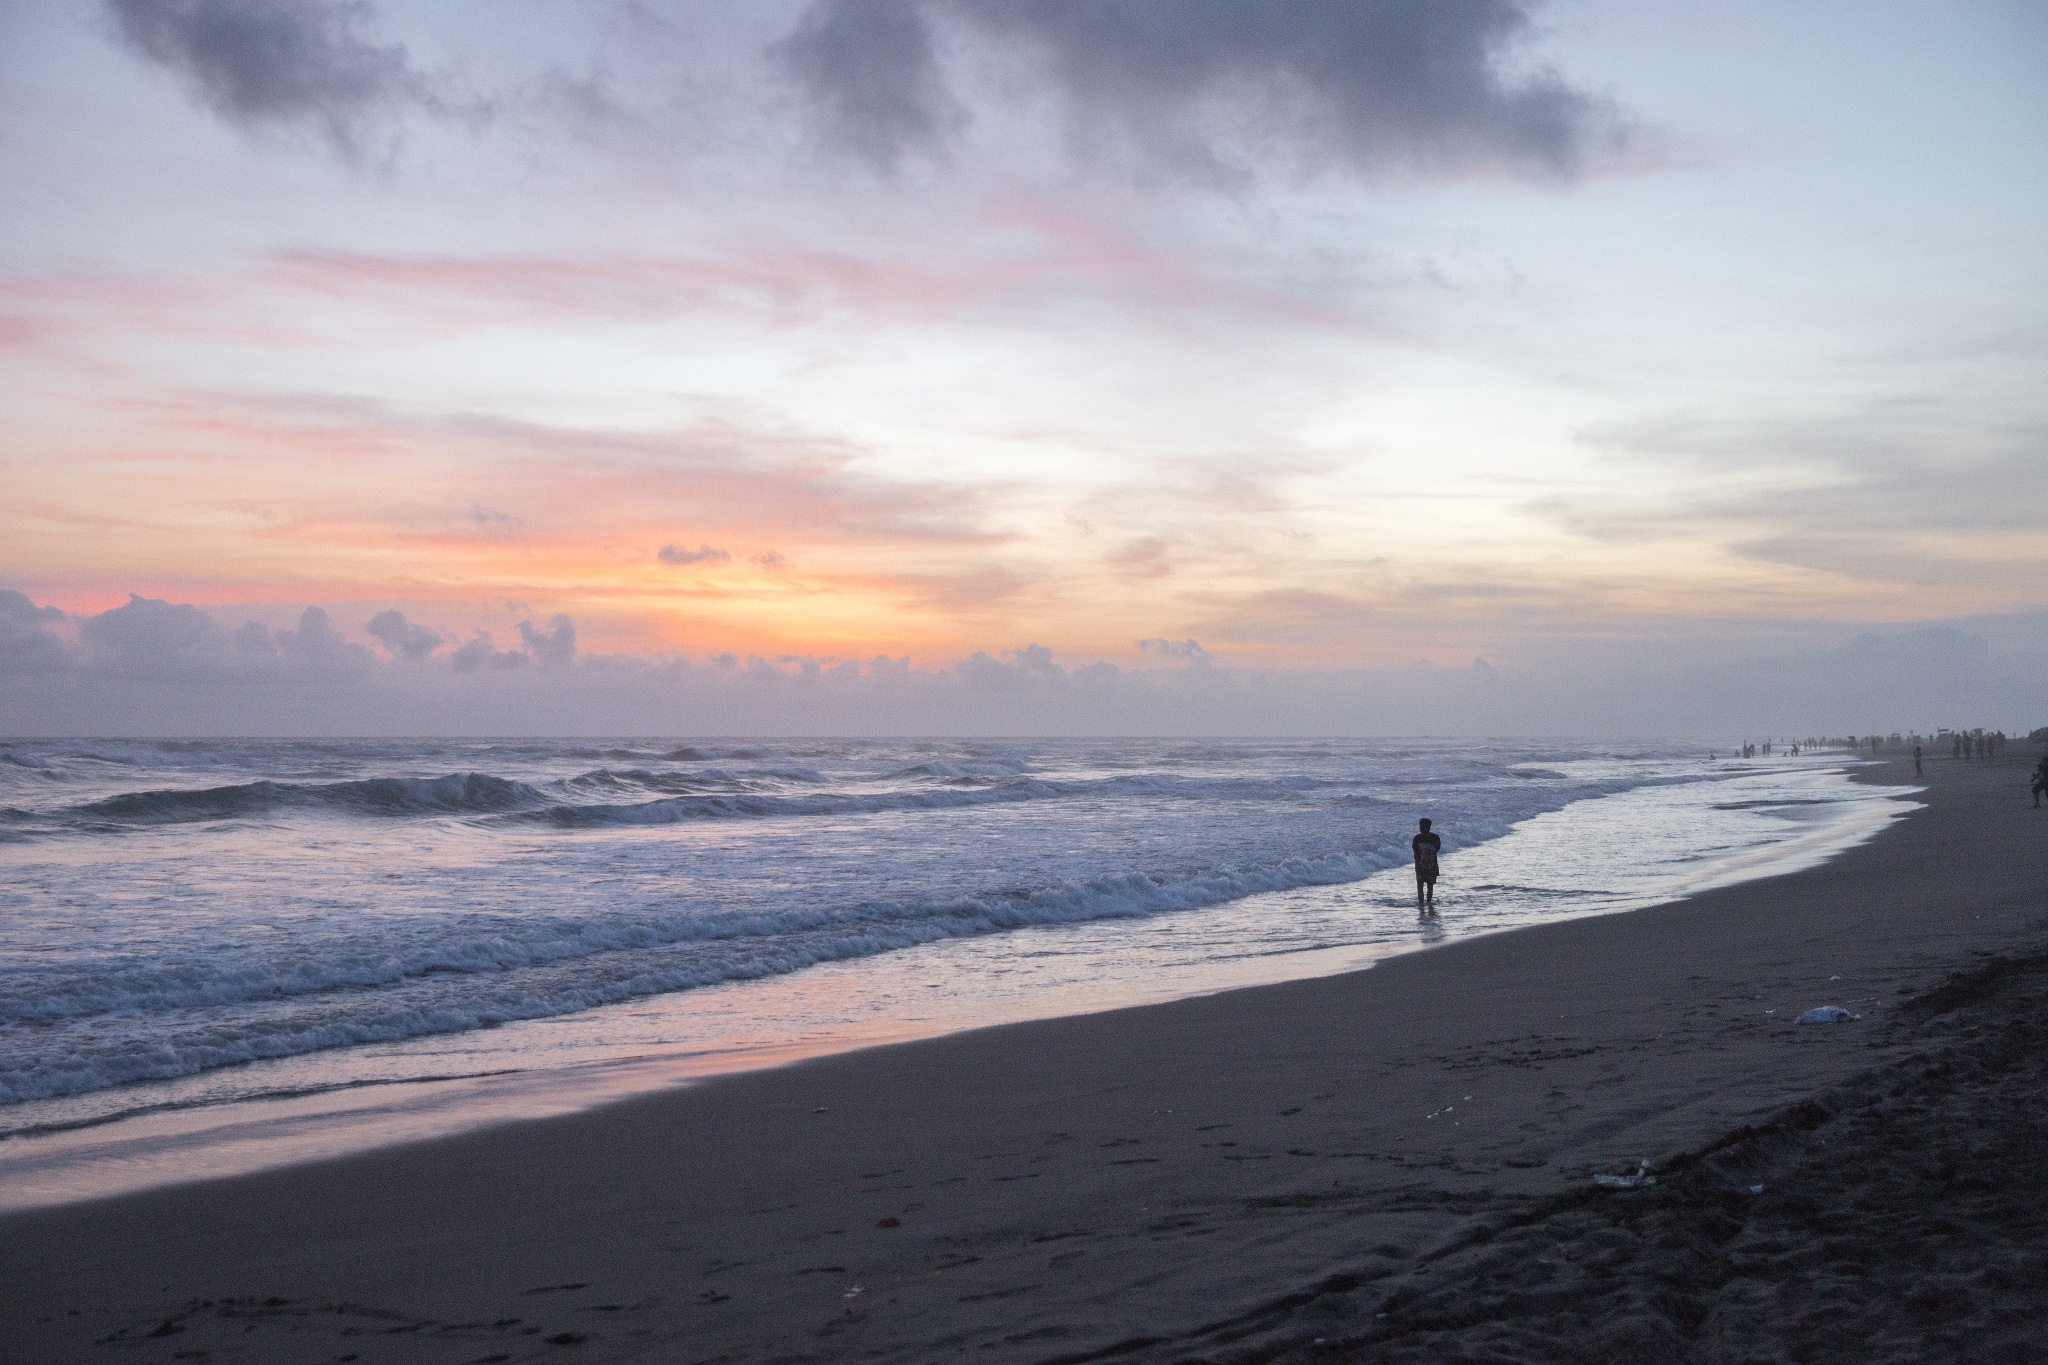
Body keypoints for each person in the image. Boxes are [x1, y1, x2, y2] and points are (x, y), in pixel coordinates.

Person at [1412, 817, 1442, 914]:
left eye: (1422, 826)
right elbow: (1437, 848)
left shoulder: (1418, 838)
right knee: (1423, 885)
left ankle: (1424, 905)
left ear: (1427, 827)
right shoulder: (1434, 838)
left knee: (1427, 885)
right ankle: (1426, 904)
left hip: (1426, 864)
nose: (1420, 828)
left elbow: (1415, 850)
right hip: (1426, 864)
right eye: (1420, 826)